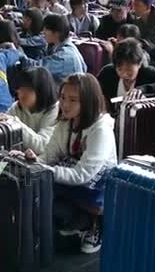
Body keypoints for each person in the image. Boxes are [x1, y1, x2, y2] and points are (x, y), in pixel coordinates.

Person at [18, 73, 117, 254]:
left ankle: (94, 223)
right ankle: (78, 221)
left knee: (47, 197)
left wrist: (45, 170)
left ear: (88, 102)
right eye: (63, 98)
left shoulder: (101, 130)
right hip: (70, 177)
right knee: (38, 194)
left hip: (96, 188)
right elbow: (50, 154)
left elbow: (83, 175)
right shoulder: (66, 122)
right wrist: (34, 161)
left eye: (73, 100)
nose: (64, 104)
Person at [0, 67, 59, 155]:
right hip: (17, 158)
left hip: (41, 164)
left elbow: (42, 146)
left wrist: (12, 123)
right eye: (21, 87)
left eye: (28, 89)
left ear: (41, 91)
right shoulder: (18, 107)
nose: (20, 92)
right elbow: (4, 133)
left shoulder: (54, 111)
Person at [97, 38, 155, 112]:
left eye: (129, 71)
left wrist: (144, 89)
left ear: (139, 64)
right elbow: (94, 91)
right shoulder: (108, 72)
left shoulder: (148, 73)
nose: (124, 75)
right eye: (120, 70)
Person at [24, 14, 87, 83]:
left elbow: (36, 68)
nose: (43, 32)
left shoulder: (63, 56)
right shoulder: (71, 47)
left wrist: (19, 54)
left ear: (57, 33)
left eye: (46, 29)